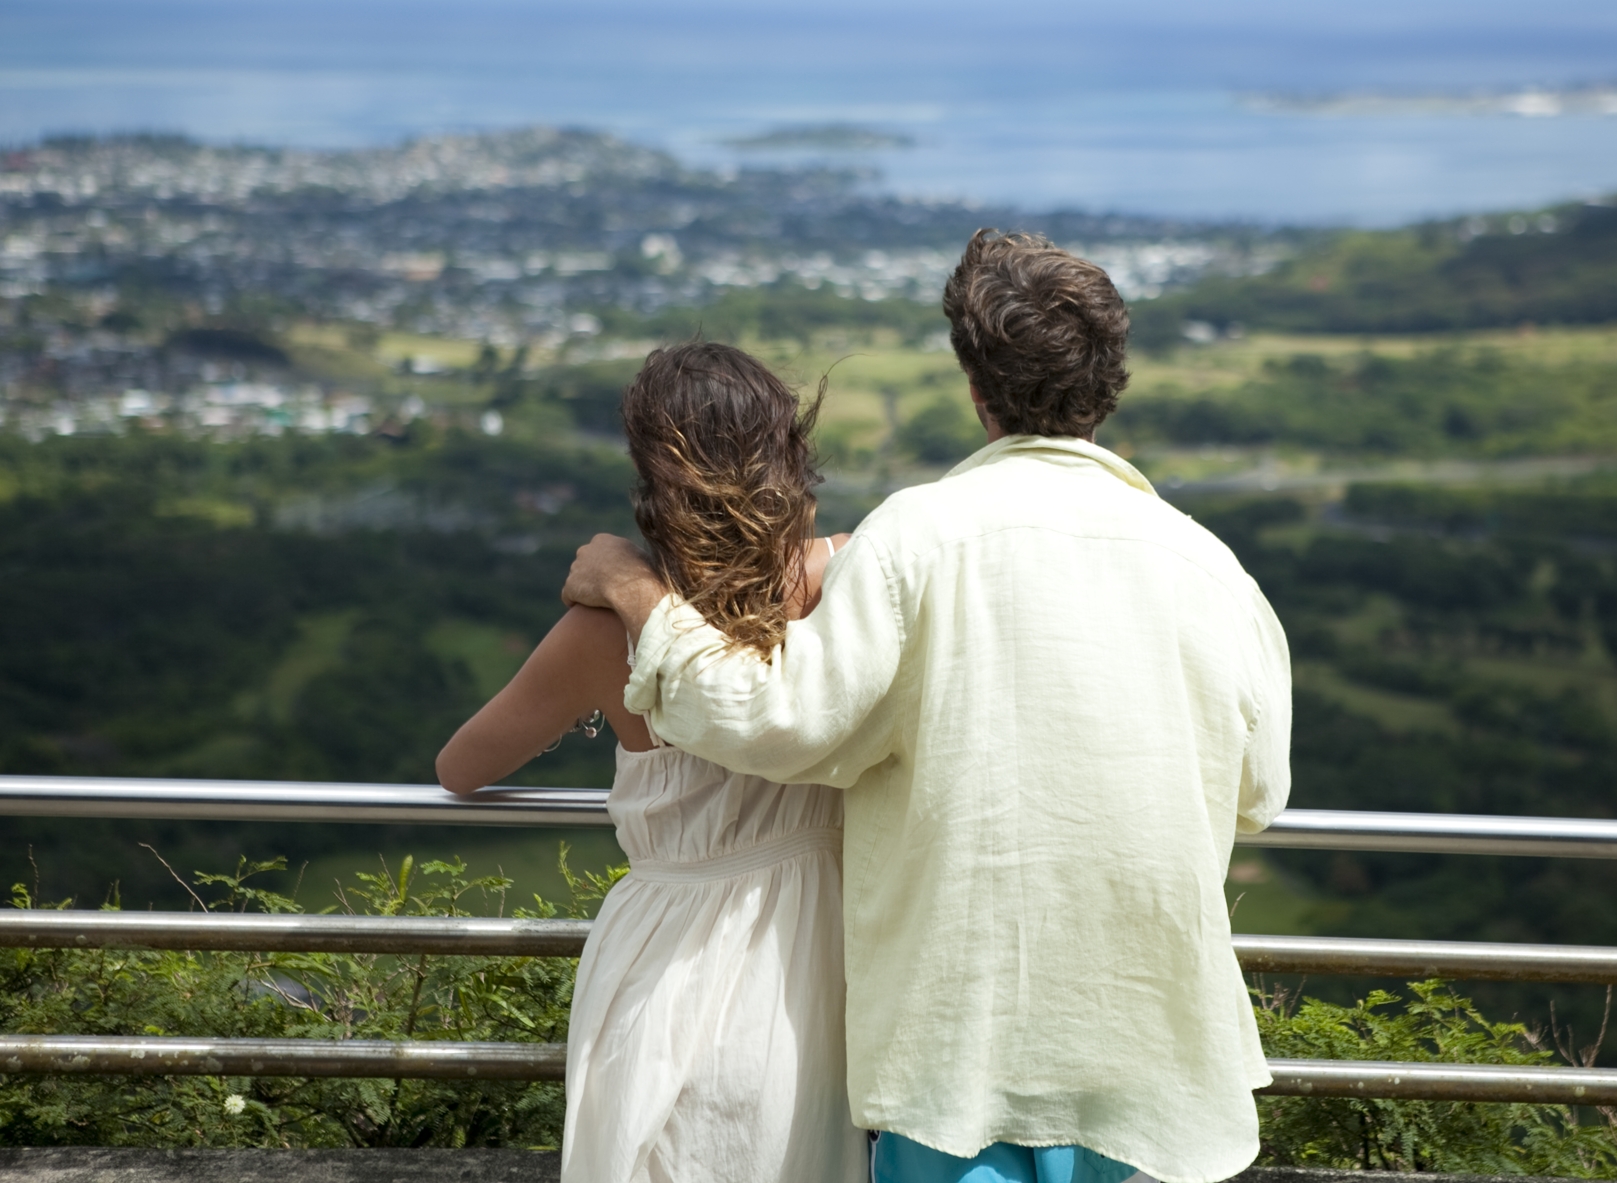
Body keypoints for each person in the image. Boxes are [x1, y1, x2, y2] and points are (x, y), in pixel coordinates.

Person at [563, 230, 1293, 1183]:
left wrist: (636, 592)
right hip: (1149, 1054)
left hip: (965, 1054)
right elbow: (1259, 790)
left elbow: (782, 723)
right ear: (1108, 385)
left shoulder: (916, 537)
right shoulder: (1210, 566)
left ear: (974, 384)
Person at [434, 341, 869, 1183]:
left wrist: (597, 698)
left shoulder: (609, 631)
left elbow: (461, 765)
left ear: (653, 475)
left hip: (668, 967)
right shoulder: (844, 582)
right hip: (815, 968)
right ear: (787, 450)